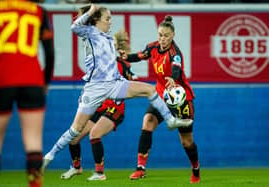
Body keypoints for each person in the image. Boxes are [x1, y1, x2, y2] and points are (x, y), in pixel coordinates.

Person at [41, 3, 193, 178]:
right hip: (95, 89)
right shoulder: (90, 32)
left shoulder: (107, 38)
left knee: (150, 90)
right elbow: (74, 26)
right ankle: (49, 156)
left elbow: (116, 62)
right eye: (108, 18)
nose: (110, 22)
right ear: (97, 20)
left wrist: (125, 59)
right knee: (75, 131)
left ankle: (170, 120)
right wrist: (91, 11)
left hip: (114, 84)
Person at [119, 16, 200, 183]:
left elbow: (176, 68)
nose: (162, 39)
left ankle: (195, 168)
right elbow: (140, 55)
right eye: (160, 35)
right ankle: (140, 168)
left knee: (186, 142)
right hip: (161, 96)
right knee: (148, 121)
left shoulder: (175, 54)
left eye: (166, 36)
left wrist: (173, 78)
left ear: (173, 35)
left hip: (180, 100)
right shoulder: (153, 47)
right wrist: (126, 56)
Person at [0, 0, 54, 187]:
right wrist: (46, 82)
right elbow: (49, 53)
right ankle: (34, 182)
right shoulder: (39, 11)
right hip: (32, 79)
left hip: (0, 79)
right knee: (33, 141)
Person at [57, 30, 137, 181]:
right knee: (73, 138)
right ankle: (76, 167)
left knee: (94, 134)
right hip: (98, 108)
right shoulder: (97, 64)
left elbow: (129, 82)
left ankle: (100, 173)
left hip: (115, 109)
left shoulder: (121, 65)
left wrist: (129, 78)